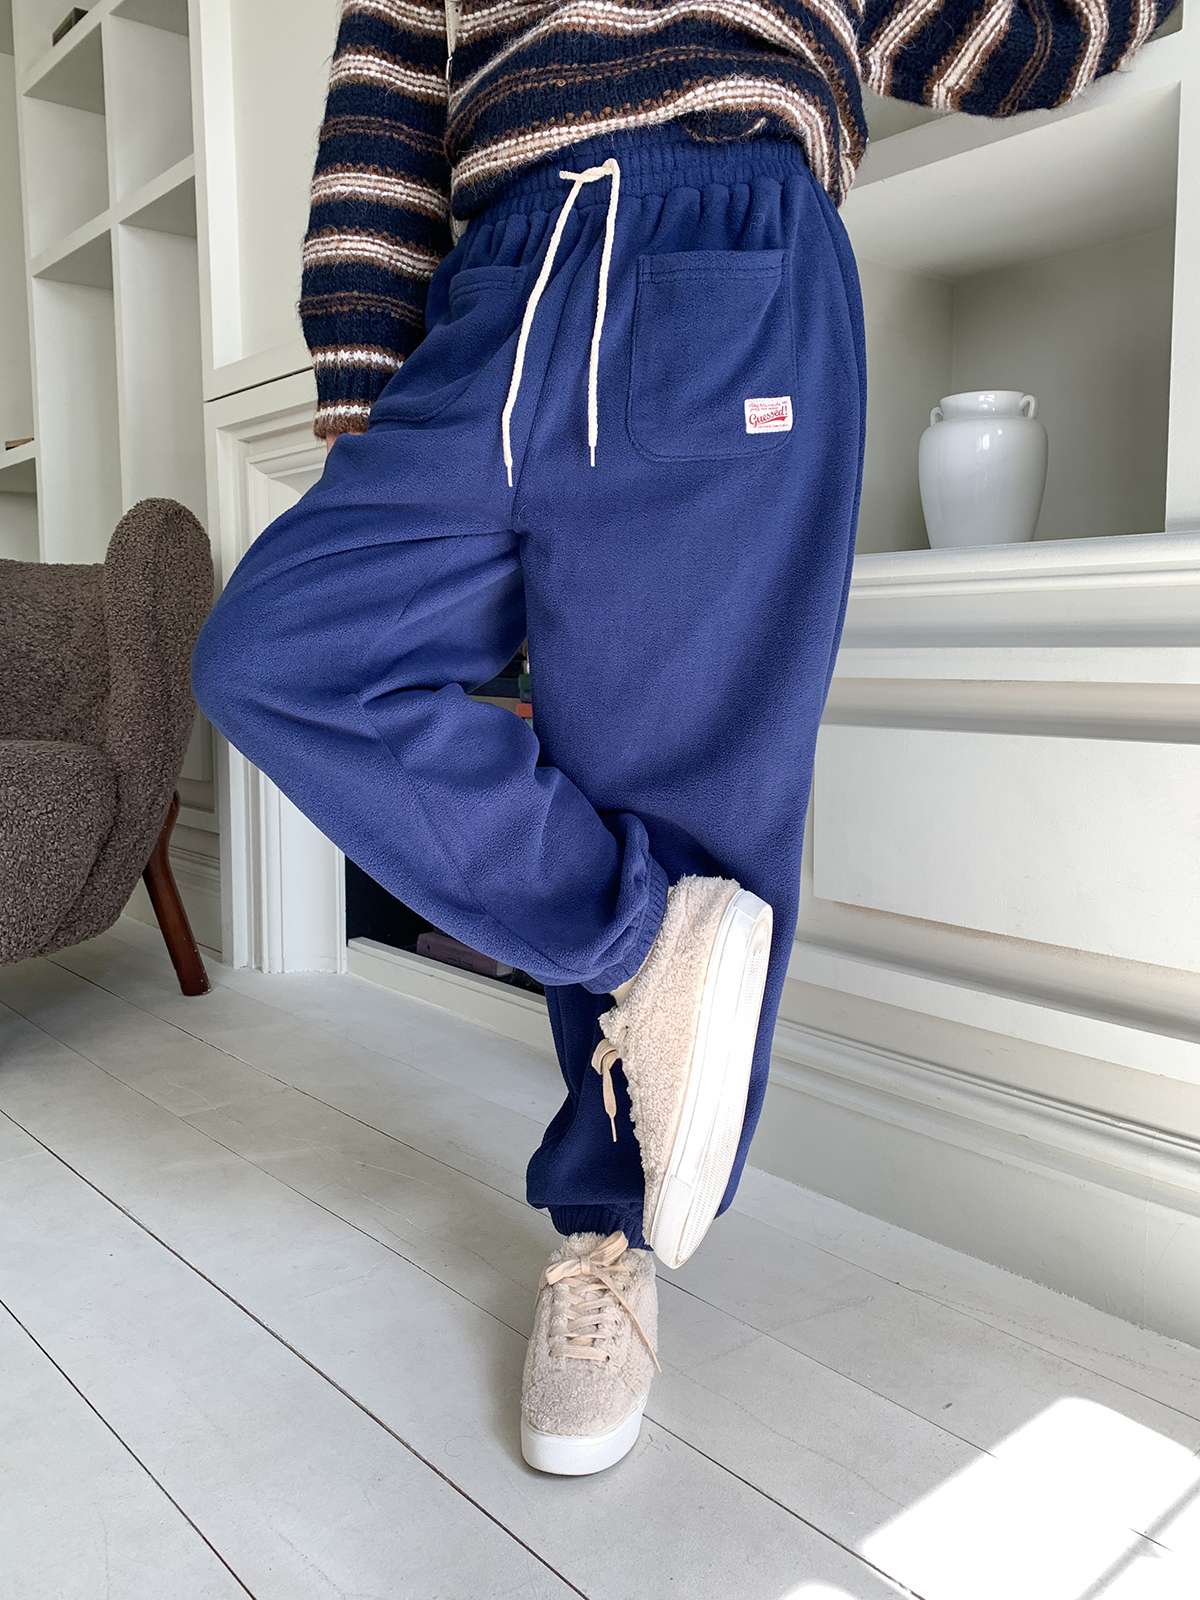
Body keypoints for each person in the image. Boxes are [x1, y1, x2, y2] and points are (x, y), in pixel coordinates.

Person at [193, 0, 1172, 1476]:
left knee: (682, 775)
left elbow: (981, 31)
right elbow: (377, 149)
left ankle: (609, 1243)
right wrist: (363, 407)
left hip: (722, 246)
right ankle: (648, 939)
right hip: (489, 294)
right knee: (279, 653)